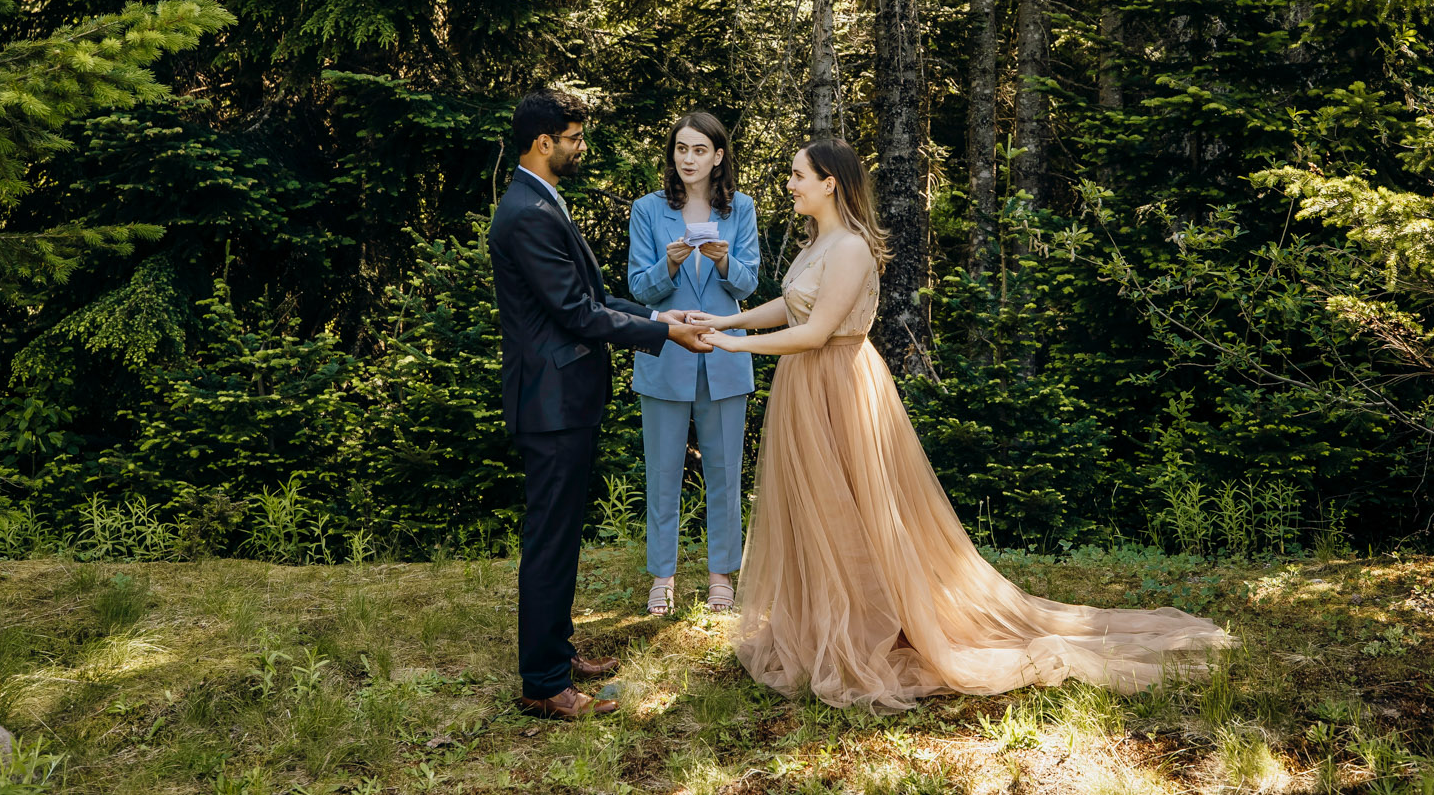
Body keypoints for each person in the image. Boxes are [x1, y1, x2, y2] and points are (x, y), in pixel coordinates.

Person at [687, 140, 1231, 711]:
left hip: (839, 384)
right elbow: (789, 306)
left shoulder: (849, 249)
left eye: (798, 175)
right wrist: (727, 318)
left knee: (854, 508)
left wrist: (729, 343)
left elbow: (818, 331)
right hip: (805, 386)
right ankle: (825, 623)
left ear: (831, 184)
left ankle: (871, 626)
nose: (790, 184)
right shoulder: (817, 243)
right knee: (816, 510)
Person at [487, 88, 713, 721]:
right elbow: (576, 312)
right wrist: (665, 332)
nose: (581, 148)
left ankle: (556, 654)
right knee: (550, 541)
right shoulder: (527, 212)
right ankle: (543, 683)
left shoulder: (541, 202)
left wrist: (656, 312)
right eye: (574, 139)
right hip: (550, 403)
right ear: (543, 143)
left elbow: (592, 295)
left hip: (567, 399)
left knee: (561, 536)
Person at [626, 111, 760, 617]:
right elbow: (639, 289)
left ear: (718, 156)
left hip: (725, 358)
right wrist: (671, 263)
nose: (688, 158)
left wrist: (725, 261)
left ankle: (721, 576)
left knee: (725, 472)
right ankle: (662, 577)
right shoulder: (647, 209)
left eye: (699, 150)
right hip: (666, 357)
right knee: (662, 472)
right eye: (681, 149)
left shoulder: (740, 208)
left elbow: (748, 285)